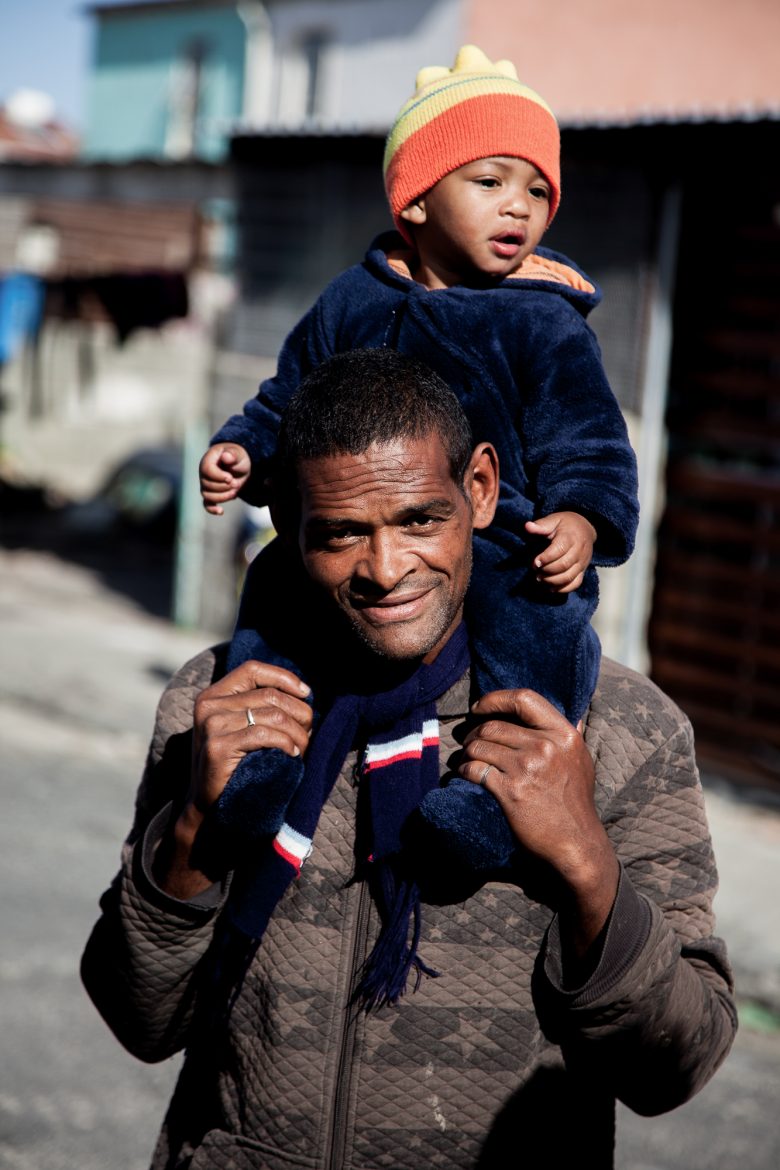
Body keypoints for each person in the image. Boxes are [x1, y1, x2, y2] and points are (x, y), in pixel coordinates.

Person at [83, 350, 736, 1170]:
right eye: (341, 533)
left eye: (420, 520)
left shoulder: (616, 729)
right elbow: (139, 1021)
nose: (386, 570)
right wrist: (192, 831)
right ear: (287, 518)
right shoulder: (218, 706)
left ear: (481, 489)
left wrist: (586, 864)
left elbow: (674, 1068)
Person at [198, 44, 639, 730]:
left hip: (502, 538)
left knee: (539, 623)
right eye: (490, 182)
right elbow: (290, 397)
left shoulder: (545, 322)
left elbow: (591, 441)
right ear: (418, 199)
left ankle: (501, 772)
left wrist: (582, 517)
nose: (518, 207)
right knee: (277, 586)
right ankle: (259, 752)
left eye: (537, 191)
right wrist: (247, 450)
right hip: (351, 527)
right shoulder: (353, 299)